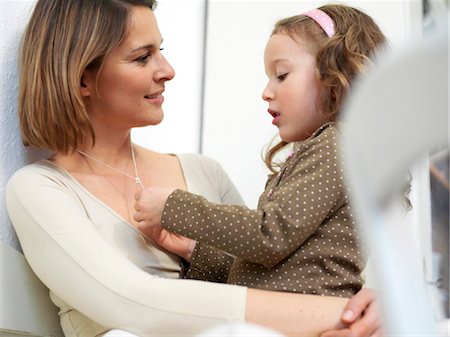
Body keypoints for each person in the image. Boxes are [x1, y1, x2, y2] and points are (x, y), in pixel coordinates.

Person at [6, 0, 381, 336]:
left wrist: (373, 309)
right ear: (83, 77)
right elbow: (134, 304)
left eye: (161, 51)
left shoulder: (205, 172)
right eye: (142, 57)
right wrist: (342, 313)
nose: (167, 70)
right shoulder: (40, 189)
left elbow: (279, 268)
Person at [134, 4, 387, 297]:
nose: (266, 91)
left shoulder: (337, 146)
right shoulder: (332, 149)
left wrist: (175, 208)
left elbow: (270, 235)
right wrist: (194, 250)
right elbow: (274, 269)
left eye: (281, 75)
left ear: (336, 75)